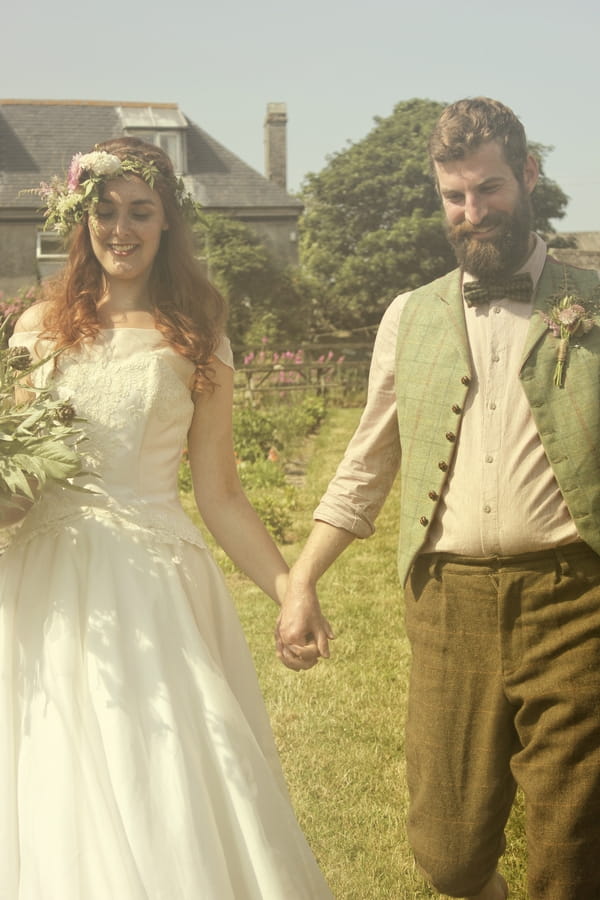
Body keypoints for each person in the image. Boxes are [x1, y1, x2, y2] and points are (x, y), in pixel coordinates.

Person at [276, 97, 600, 900]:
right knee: (448, 855)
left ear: (527, 176)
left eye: (488, 189)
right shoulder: (408, 316)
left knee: (574, 848)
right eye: (455, 196)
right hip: (446, 602)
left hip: (574, 599)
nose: (472, 211)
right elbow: (367, 463)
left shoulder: (590, 301)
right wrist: (302, 582)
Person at [0, 137, 333, 899]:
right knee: (48, 770)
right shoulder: (36, 332)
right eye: (106, 211)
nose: (122, 228)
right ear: (81, 220)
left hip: (151, 582)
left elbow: (220, 495)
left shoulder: (197, 338)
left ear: (167, 223)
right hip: (40, 584)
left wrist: (291, 590)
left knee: (159, 773)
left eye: (140, 212)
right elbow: (18, 486)